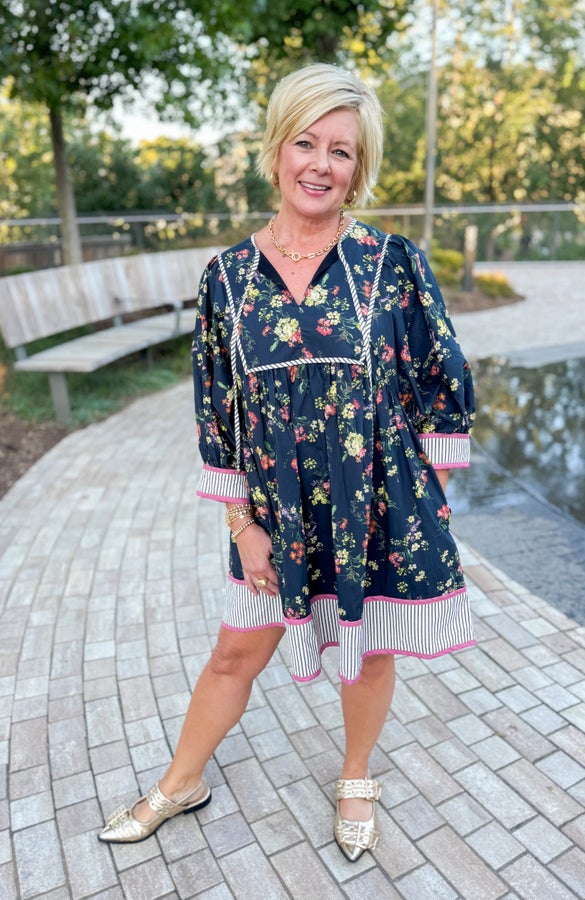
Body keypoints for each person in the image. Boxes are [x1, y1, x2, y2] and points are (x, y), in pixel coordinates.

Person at [99, 62, 476, 862]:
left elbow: (439, 379)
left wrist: (418, 509)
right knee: (236, 649)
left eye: (341, 151)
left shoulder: (391, 261)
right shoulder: (227, 279)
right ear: (276, 150)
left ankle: (355, 775)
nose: (320, 164)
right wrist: (242, 526)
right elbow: (218, 412)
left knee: (368, 649)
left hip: (375, 507)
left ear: (358, 169)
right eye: (305, 142)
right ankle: (181, 781)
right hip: (272, 515)